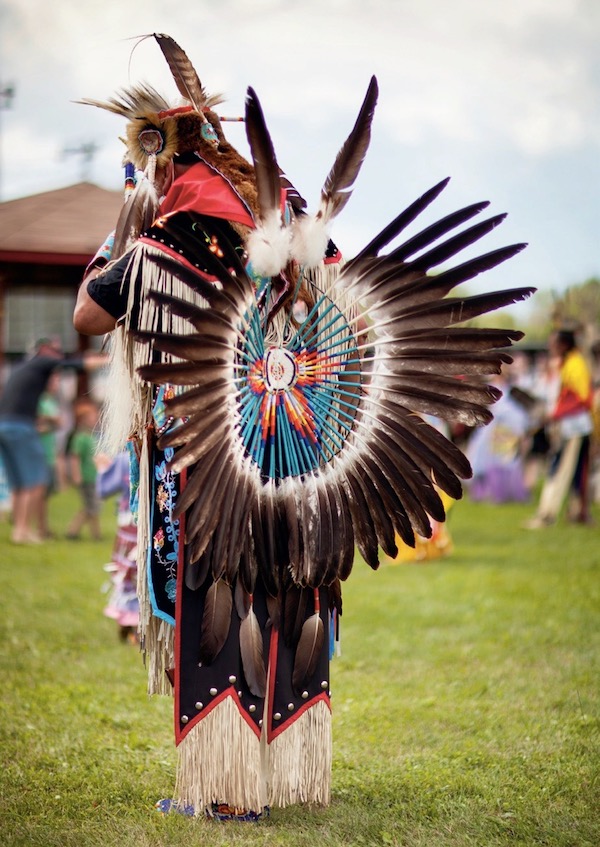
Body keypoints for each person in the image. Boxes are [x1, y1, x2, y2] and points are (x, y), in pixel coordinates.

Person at [73, 34, 532, 818]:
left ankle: (223, 793)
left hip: (209, 465)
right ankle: (288, 769)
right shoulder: (289, 226)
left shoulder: (163, 234)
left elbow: (89, 316)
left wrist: (113, 243)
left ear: (161, 162)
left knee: (217, 599)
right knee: (289, 594)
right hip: (303, 460)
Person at [0, 338, 68, 544]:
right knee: (36, 481)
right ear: (44, 350)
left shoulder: (20, 370)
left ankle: (19, 531)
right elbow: (75, 364)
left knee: (19, 484)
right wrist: (104, 360)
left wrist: (46, 422)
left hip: (5, 425)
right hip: (21, 428)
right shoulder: (40, 365)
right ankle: (23, 530)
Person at [524, 329, 594, 527]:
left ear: (564, 345)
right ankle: (577, 513)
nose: (550, 347)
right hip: (574, 427)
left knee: (560, 470)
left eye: (553, 343)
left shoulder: (575, 364)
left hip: (576, 429)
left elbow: (583, 399)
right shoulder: (570, 364)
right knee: (576, 471)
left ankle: (548, 514)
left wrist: (555, 414)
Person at [65, 399, 102, 540]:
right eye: (93, 417)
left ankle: (74, 531)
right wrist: (76, 475)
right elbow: (75, 457)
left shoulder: (92, 437)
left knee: (91, 507)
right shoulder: (80, 438)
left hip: (94, 476)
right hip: (86, 478)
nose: (96, 419)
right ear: (83, 420)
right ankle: (92, 534)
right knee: (92, 507)